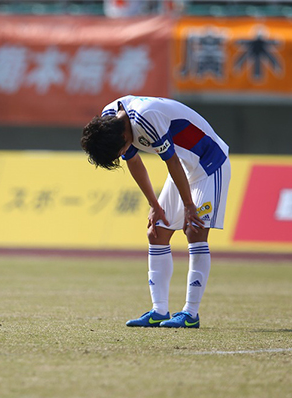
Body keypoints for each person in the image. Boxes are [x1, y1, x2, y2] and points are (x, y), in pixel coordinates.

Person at [80, 95, 230, 328]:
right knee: (157, 232)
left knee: (195, 230)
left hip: (209, 162)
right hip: (184, 167)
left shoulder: (146, 118)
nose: (122, 155)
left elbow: (171, 162)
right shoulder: (111, 120)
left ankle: (190, 314)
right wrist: (154, 205)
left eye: (119, 152)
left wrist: (189, 206)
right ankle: (159, 311)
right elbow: (134, 162)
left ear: (124, 137)